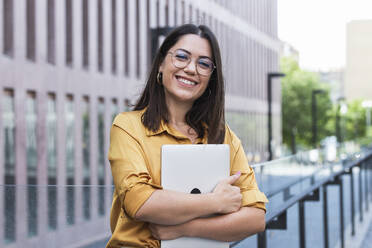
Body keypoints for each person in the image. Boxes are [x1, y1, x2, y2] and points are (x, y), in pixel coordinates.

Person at [106, 24, 268, 248]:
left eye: (204, 63)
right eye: (181, 57)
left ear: (211, 77)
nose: (191, 68)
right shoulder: (128, 126)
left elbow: (255, 218)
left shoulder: (223, 136)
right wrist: (215, 201)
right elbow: (140, 203)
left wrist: (184, 228)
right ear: (161, 65)